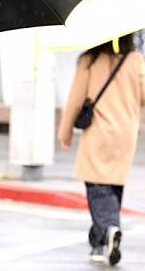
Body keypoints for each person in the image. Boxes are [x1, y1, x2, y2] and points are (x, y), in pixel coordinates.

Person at [58, 35, 145, 266]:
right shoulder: (135, 61)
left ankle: (109, 228)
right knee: (114, 183)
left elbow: (75, 101)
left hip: (98, 132)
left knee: (96, 186)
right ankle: (99, 242)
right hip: (126, 134)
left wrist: (64, 132)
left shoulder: (88, 60)